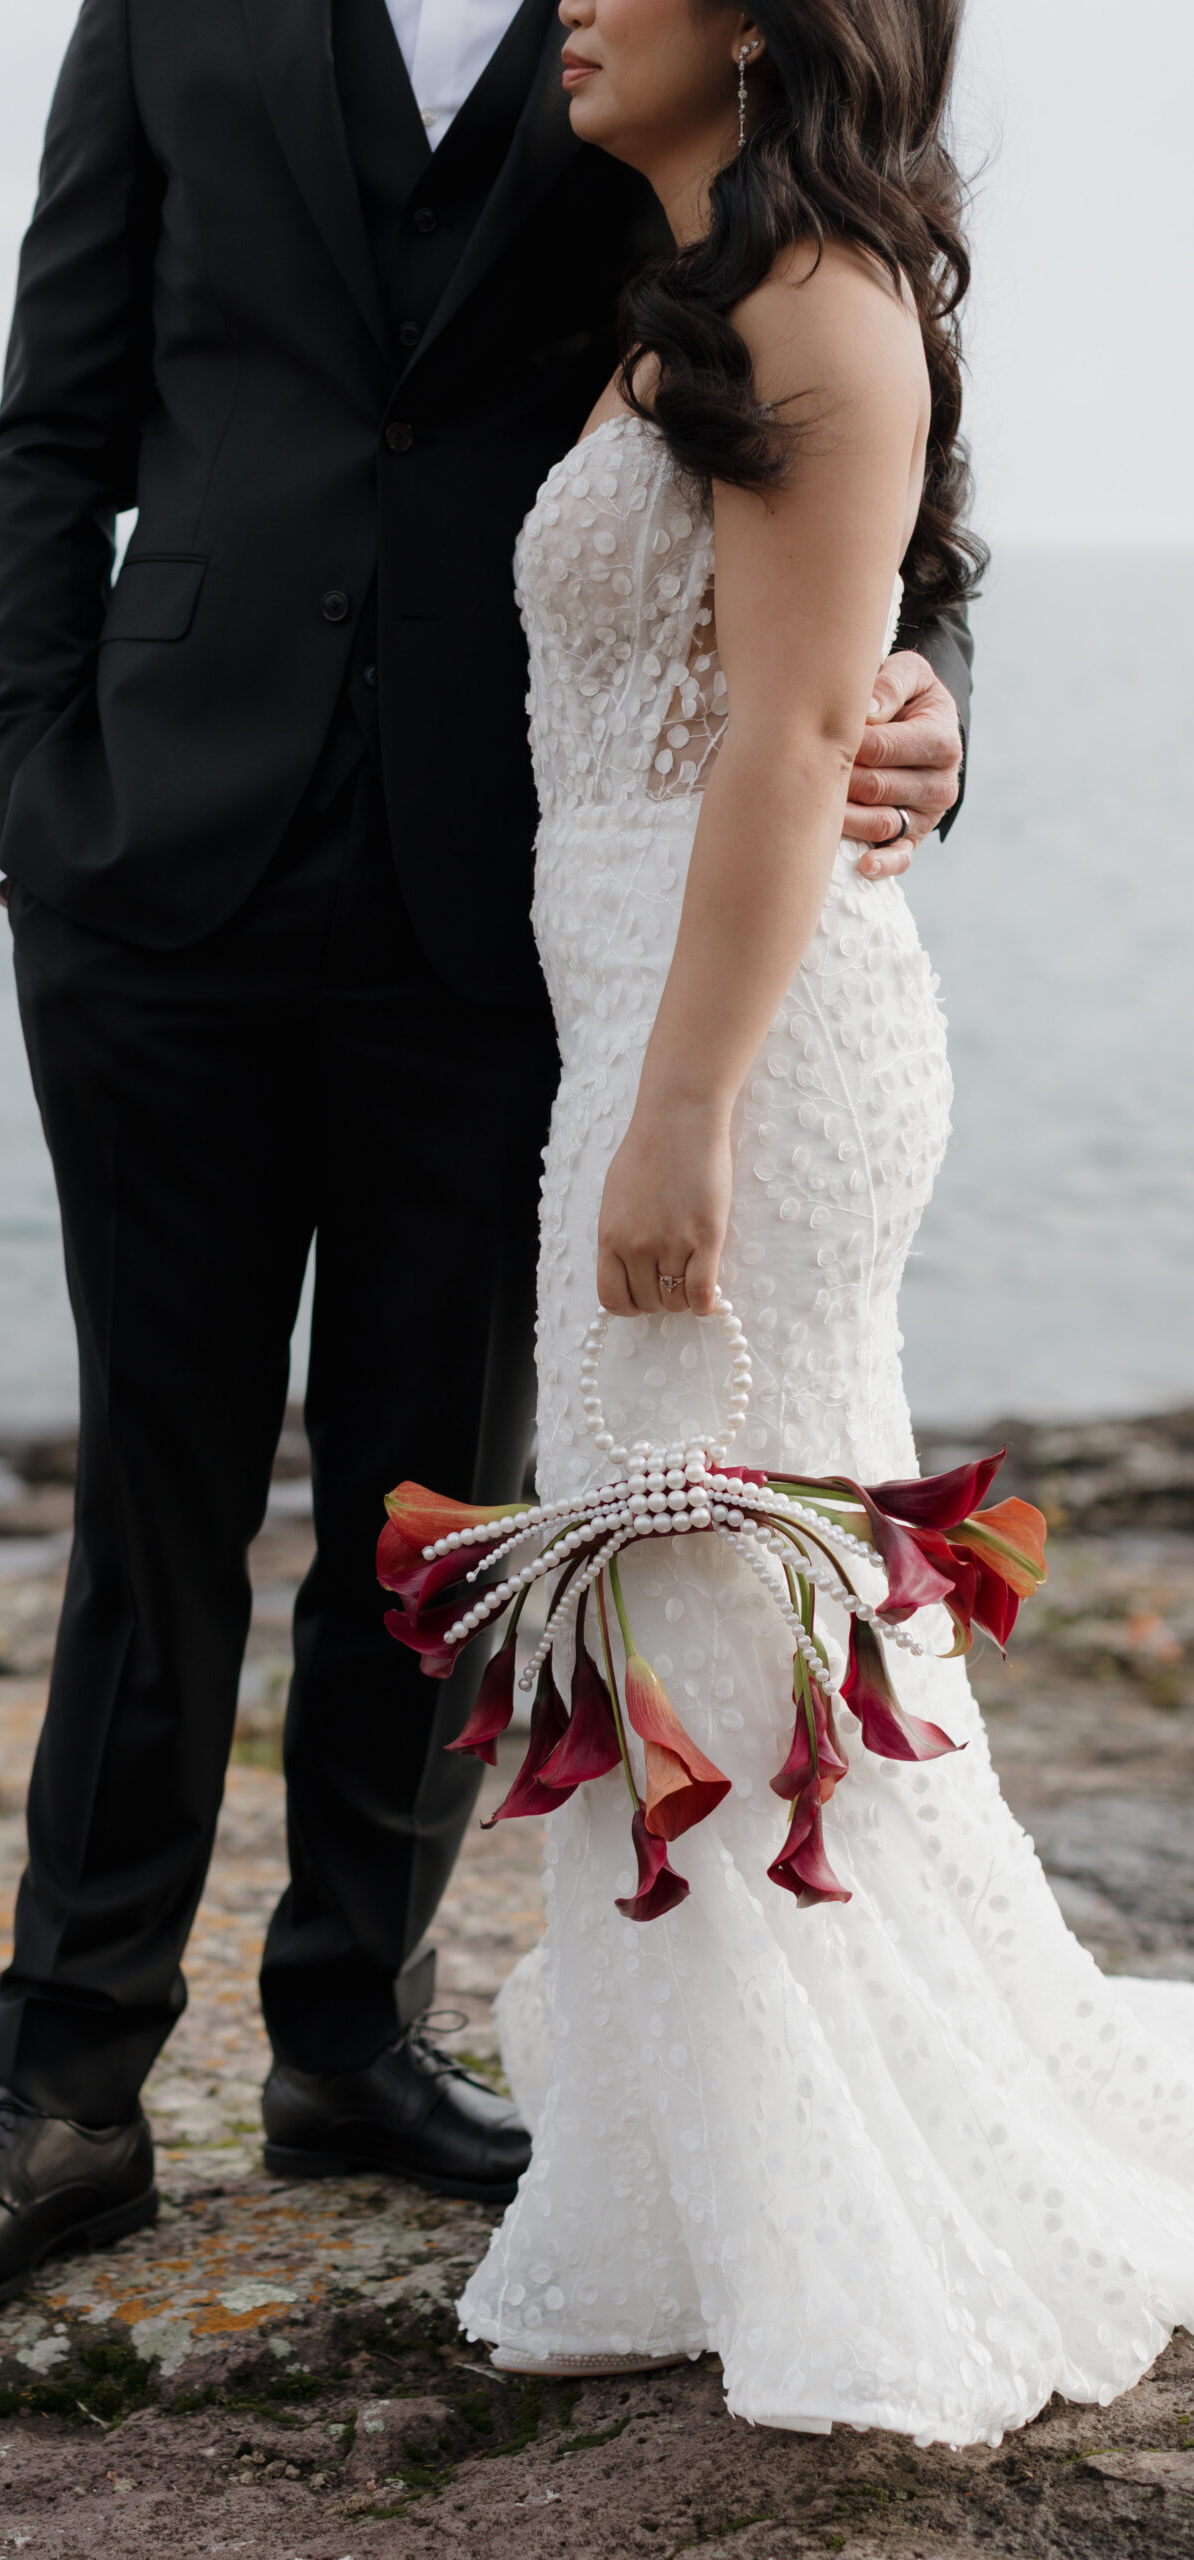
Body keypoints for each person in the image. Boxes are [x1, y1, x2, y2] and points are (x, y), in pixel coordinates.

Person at [0, 0, 966, 2325]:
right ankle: (62, 2086)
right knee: (151, 1484)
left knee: (436, 1502)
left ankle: (352, 2027)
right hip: (157, 865)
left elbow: (838, 377)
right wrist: (30, 797)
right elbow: (49, 422)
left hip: (516, 903)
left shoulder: (641, 26)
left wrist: (921, 698)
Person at [455, 0, 1194, 2448]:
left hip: (737, 1055)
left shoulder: (820, 301)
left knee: (718, 1582)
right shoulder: (693, 288)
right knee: (686, 1588)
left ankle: (858, 2188)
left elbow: (785, 738)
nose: (568, 2)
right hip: (639, 1028)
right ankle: (713, 2175)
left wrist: (677, 1109)